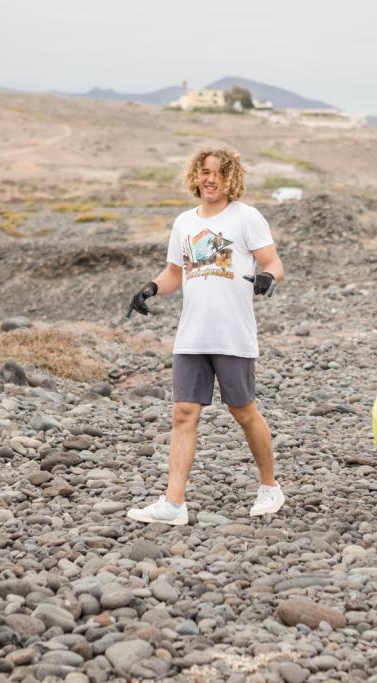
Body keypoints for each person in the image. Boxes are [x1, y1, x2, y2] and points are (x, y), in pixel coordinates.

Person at [125, 147, 285, 526]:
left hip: (233, 334)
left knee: (244, 412)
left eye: (218, 173)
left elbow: (274, 263)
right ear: (195, 177)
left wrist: (267, 278)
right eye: (204, 172)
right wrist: (149, 288)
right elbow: (175, 273)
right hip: (192, 336)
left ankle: (270, 487)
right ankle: (173, 503)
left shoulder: (246, 217)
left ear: (232, 178)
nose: (210, 179)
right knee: (183, 413)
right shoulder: (184, 222)